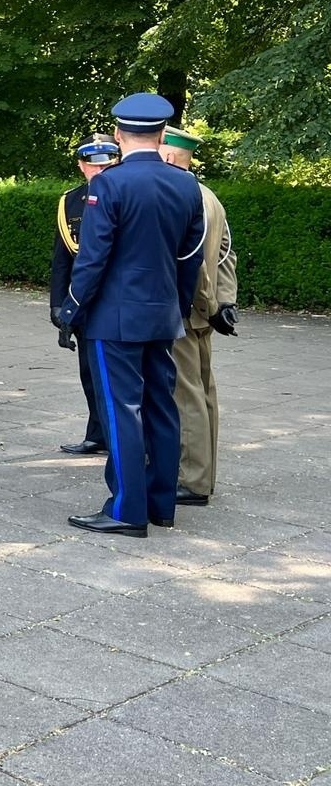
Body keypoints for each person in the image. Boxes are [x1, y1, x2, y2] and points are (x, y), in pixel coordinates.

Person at [56, 93, 205, 537]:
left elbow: (94, 256)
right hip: (162, 314)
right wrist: (176, 305)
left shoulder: (109, 184)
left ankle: (126, 509)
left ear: (119, 135)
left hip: (113, 316)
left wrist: (72, 307)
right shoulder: (186, 184)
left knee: (122, 410)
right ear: (161, 135)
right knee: (162, 407)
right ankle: (161, 503)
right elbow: (190, 256)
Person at [160, 126, 239, 507]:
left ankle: (191, 481)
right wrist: (225, 303)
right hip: (203, 311)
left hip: (183, 309)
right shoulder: (210, 196)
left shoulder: (181, 197)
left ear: (169, 155)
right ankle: (203, 474)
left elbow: (193, 263)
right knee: (204, 392)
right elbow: (225, 255)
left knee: (185, 394)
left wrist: (208, 301)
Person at [50, 135, 120, 455]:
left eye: (107, 165)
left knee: (120, 376)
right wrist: (58, 303)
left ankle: (128, 437)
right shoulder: (70, 201)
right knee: (89, 372)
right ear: (82, 166)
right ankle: (97, 434)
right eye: (93, 166)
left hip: (116, 297)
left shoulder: (126, 195)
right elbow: (62, 257)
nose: (100, 171)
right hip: (82, 299)